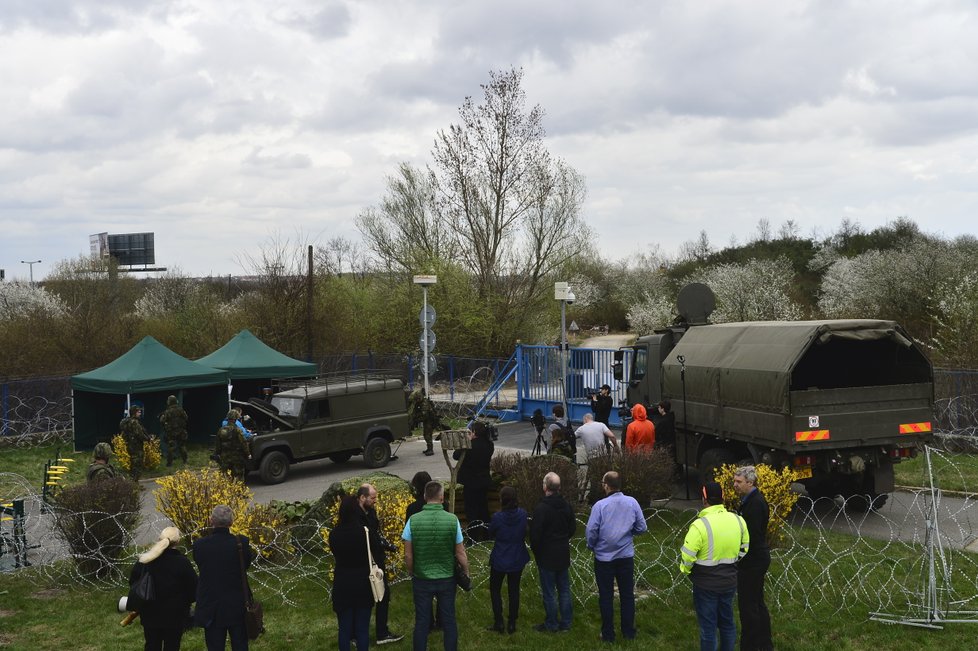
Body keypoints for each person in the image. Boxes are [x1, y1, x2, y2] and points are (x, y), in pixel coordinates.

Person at [680, 482, 750, 651]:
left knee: (708, 627)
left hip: (705, 584)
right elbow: (744, 548)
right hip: (729, 581)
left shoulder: (700, 525)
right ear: (723, 498)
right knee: (727, 623)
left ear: (704, 499)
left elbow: (688, 556)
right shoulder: (738, 520)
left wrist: (687, 570)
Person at [402, 480, 470, 651]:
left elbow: (408, 554)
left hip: (422, 578)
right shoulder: (452, 520)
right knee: (449, 621)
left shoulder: (413, 520)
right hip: (447, 577)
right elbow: (460, 553)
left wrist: (411, 571)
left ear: (425, 497)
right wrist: (466, 572)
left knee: (422, 622)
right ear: (442, 497)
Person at [585, 471, 648, 643]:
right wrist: (628, 534)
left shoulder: (600, 506)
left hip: (604, 558)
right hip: (625, 557)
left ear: (606, 485)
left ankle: (608, 634)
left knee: (606, 596)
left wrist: (592, 545)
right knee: (627, 595)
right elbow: (642, 527)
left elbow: (591, 531)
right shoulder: (632, 502)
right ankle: (628, 631)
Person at [193, 505, 254, 651]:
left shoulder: (200, 545)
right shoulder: (242, 543)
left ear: (211, 520)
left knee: (214, 645)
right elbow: (245, 565)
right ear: (231, 522)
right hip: (237, 601)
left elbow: (200, 564)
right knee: (240, 644)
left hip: (211, 603)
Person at [128, 526, 198, 651]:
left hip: (149, 611)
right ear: (177, 542)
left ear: (159, 539)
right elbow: (193, 587)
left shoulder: (146, 559)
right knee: (172, 646)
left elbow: (133, 582)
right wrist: (186, 603)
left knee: (151, 645)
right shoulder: (182, 562)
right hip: (175, 614)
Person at [330, 495, 380, 651]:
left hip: (342, 583)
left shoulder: (334, 534)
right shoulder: (364, 532)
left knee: (344, 629)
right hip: (362, 583)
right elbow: (376, 552)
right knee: (362, 629)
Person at [529, 472, 576, 634]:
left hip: (547, 553)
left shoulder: (541, 509)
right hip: (562, 552)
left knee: (549, 591)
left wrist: (537, 551)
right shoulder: (566, 506)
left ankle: (552, 623)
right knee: (564, 589)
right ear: (559, 488)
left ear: (545, 487)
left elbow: (535, 535)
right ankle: (566, 622)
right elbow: (572, 529)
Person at [733, 466, 773, 651]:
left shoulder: (755, 503)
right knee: (757, 602)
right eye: (735, 481)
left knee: (749, 605)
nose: (735, 485)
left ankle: (750, 645)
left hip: (753, 559)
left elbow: (752, 535)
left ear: (750, 482)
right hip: (756, 558)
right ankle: (764, 643)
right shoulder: (750, 499)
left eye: (739, 482)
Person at [358, 483, 403, 645]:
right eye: (373, 498)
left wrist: (387, 546)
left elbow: (375, 535)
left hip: (377, 561)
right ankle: (376, 633)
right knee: (368, 598)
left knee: (383, 595)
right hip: (365, 563)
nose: (375, 500)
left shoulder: (370, 512)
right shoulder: (357, 517)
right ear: (362, 497)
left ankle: (380, 632)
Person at [486, 486, 530, 634]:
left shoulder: (497, 518)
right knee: (514, 590)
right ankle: (512, 622)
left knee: (495, 590)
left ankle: (499, 622)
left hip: (500, 557)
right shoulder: (523, 515)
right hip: (517, 556)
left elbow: (491, 532)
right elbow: (525, 530)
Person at [404, 471, 440, 632]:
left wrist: (409, 565)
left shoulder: (412, 508)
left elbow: (408, 535)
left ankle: (428, 621)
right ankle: (441, 619)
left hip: (420, 552)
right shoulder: (442, 506)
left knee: (423, 594)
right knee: (442, 591)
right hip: (439, 550)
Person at [453, 421, 494, 542]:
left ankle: (473, 537)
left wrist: (467, 440)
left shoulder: (470, 445)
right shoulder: (489, 445)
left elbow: (456, 455)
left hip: (470, 482)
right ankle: (487, 534)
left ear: (474, 432)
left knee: (471, 510)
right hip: (483, 480)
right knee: (483, 508)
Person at [215, 415, 250, 482]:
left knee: (226, 475)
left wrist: (217, 453)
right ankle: (239, 490)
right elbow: (243, 442)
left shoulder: (221, 430)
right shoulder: (237, 430)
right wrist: (248, 453)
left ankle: (228, 490)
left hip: (225, 456)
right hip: (236, 456)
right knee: (239, 474)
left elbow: (218, 444)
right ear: (235, 420)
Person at [120, 405, 151, 481]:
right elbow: (139, 434)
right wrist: (148, 439)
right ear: (134, 413)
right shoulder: (135, 422)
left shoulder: (128, 422)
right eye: (138, 412)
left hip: (130, 445)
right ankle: (135, 482)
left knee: (133, 463)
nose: (140, 413)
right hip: (136, 446)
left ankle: (133, 481)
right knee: (137, 464)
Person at [409, 387, 441, 456]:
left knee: (427, 434)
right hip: (428, 420)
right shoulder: (421, 402)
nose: (416, 400)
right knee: (427, 434)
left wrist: (416, 420)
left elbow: (424, 415)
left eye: (417, 398)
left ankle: (430, 450)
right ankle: (429, 448)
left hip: (430, 420)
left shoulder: (424, 403)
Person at [159, 395, 189, 467]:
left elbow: (162, 420)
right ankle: (185, 461)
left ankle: (169, 464)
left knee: (171, 447)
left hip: (171, 432)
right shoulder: (181, 410)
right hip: (181, 431)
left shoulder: (167, 411)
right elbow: (186, 418)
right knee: (182, 446)